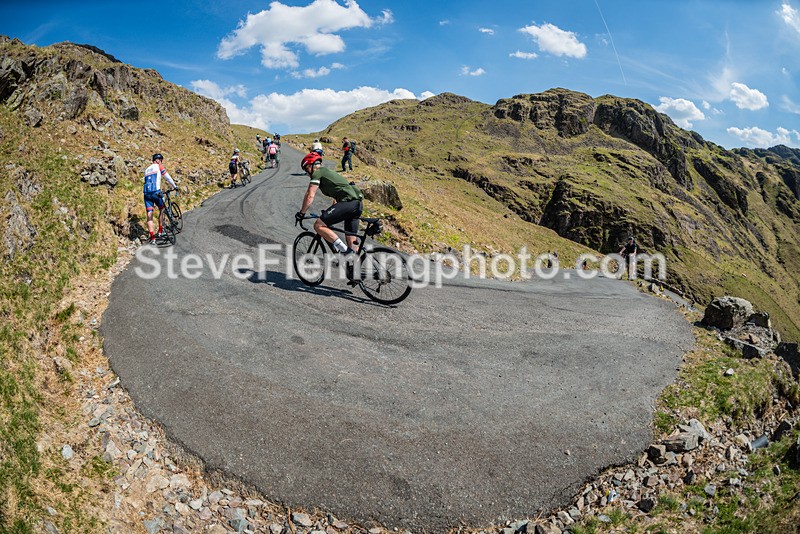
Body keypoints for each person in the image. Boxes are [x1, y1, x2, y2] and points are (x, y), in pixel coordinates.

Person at [295, 152, 363, 270]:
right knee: (350, 237)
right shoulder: (328, 173)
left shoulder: (318, 172)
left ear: (312, 165)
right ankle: (354, 272)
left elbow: (310, 195)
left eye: (307, 169)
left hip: (348, 204)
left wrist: (301, 213)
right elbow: (338, 195)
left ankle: (346, 252)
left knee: (318, 225)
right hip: (357, 204)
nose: (307, 173)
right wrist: (330, 211)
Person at [143, 153, 177, 244]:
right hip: (156, 192)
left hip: (146, 194)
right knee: (162, 209)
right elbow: (167, 177)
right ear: (157, 160)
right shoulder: (159, 167)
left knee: (149, 216)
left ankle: (153, 238)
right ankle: (161, 231)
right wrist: (175, 186)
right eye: (161, 160)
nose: (161, 162)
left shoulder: (146, 170)